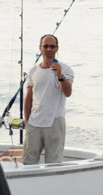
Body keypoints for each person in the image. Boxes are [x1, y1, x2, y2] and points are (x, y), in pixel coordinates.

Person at [23, 34, 74, 164]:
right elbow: (29, 98)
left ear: (57, 48)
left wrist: (60, 76)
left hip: (54, 122)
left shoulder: (66, 69)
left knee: (53, 163)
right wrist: (27, 120)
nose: (49, 49)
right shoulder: (34, 70)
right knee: (29, 161)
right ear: (40, 48)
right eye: (46, 46)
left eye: (52, 46)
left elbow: (68, 92)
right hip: (34, 123)